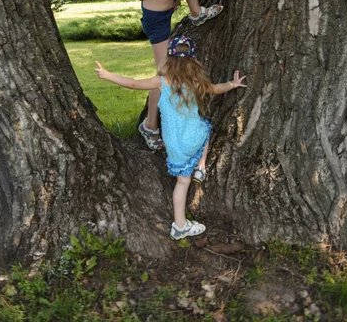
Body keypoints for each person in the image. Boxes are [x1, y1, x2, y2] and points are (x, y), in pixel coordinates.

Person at [94, 35, 246, 240]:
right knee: (205, 128)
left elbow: (132, 83)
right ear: (193, 61)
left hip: (173, 145)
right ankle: (201, 166)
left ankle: (180, 225)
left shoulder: (161, 82)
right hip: (193, 138)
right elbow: (216, 89)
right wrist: (232, 84)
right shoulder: (195, 82)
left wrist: (107, 74)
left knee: (182, 182)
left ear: (169, 59)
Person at [137, 0, 240, 151]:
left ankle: (196, 13)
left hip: (159, 17)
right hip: (157, 24)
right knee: (163, 75)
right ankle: (149, 125)